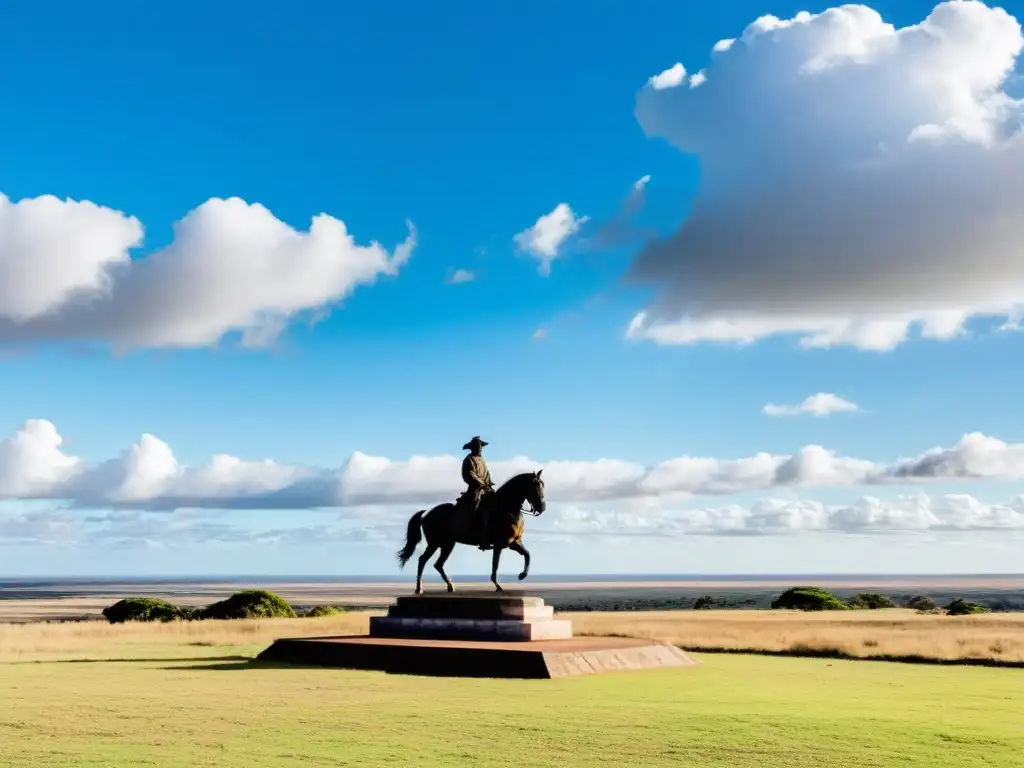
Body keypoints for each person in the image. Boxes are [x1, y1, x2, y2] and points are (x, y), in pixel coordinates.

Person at [461, 436, 493, 550]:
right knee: (478, 508)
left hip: (486, 489)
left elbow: (487, 473)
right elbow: (470, 473)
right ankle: (480, 538)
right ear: (473, 448)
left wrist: (489, 483)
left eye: (480, 447)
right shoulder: (468, 459)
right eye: (478, 447)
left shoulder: (482, 460)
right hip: (475, 490)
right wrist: (480, 482)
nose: (480, 449)